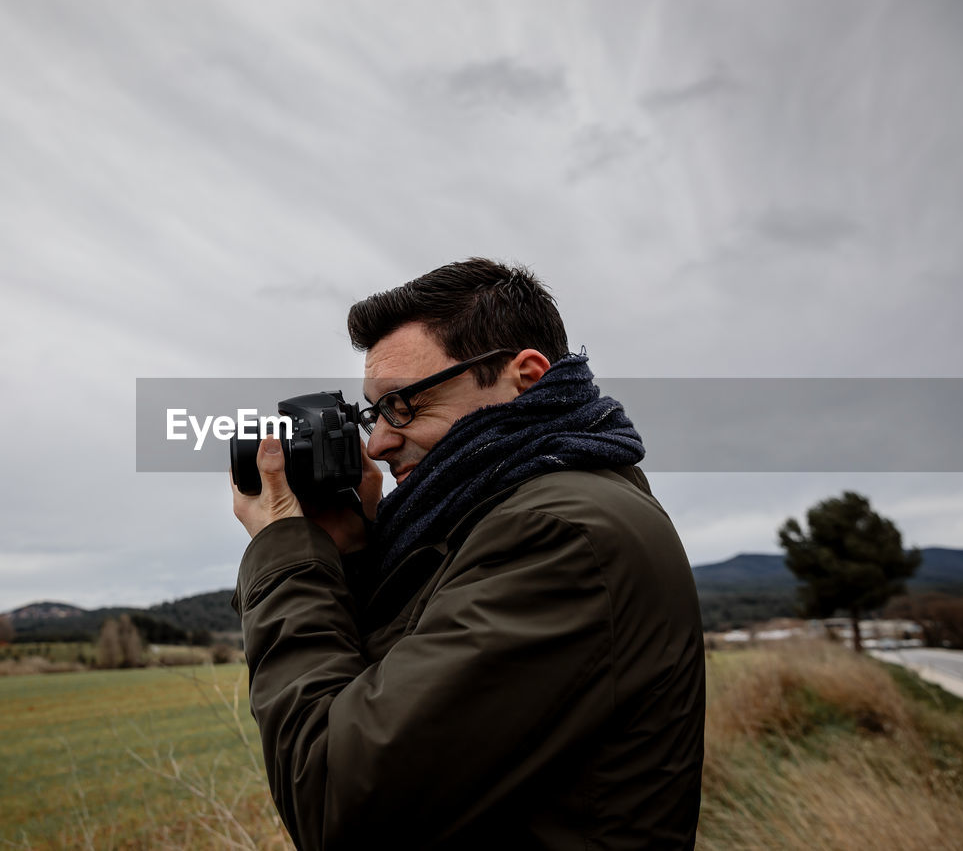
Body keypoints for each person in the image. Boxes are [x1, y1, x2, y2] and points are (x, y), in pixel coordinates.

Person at [231, 258, 705, 850]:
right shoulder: (509, 520)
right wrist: (351, 550)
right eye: (372, 414)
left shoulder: (558, 536)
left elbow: (335, 800)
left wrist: (286, 550)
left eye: (403, 406)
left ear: (524, 376)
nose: (376, 444)